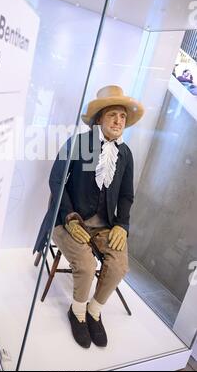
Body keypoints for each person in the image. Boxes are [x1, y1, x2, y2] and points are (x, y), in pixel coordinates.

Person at [34, 85, 144, 349]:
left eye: (123, 117)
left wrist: (122, 225)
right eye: (113, 115)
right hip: (68, 219)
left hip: (105, 225)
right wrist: (69, 218)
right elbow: (57, 180)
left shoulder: (125, 154)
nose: (119, 121)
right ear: (99, 119)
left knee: (118, 266)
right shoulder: (79, 144)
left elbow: (127, 196)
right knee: (85, 265)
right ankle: (78, 312)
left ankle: (94, 311)